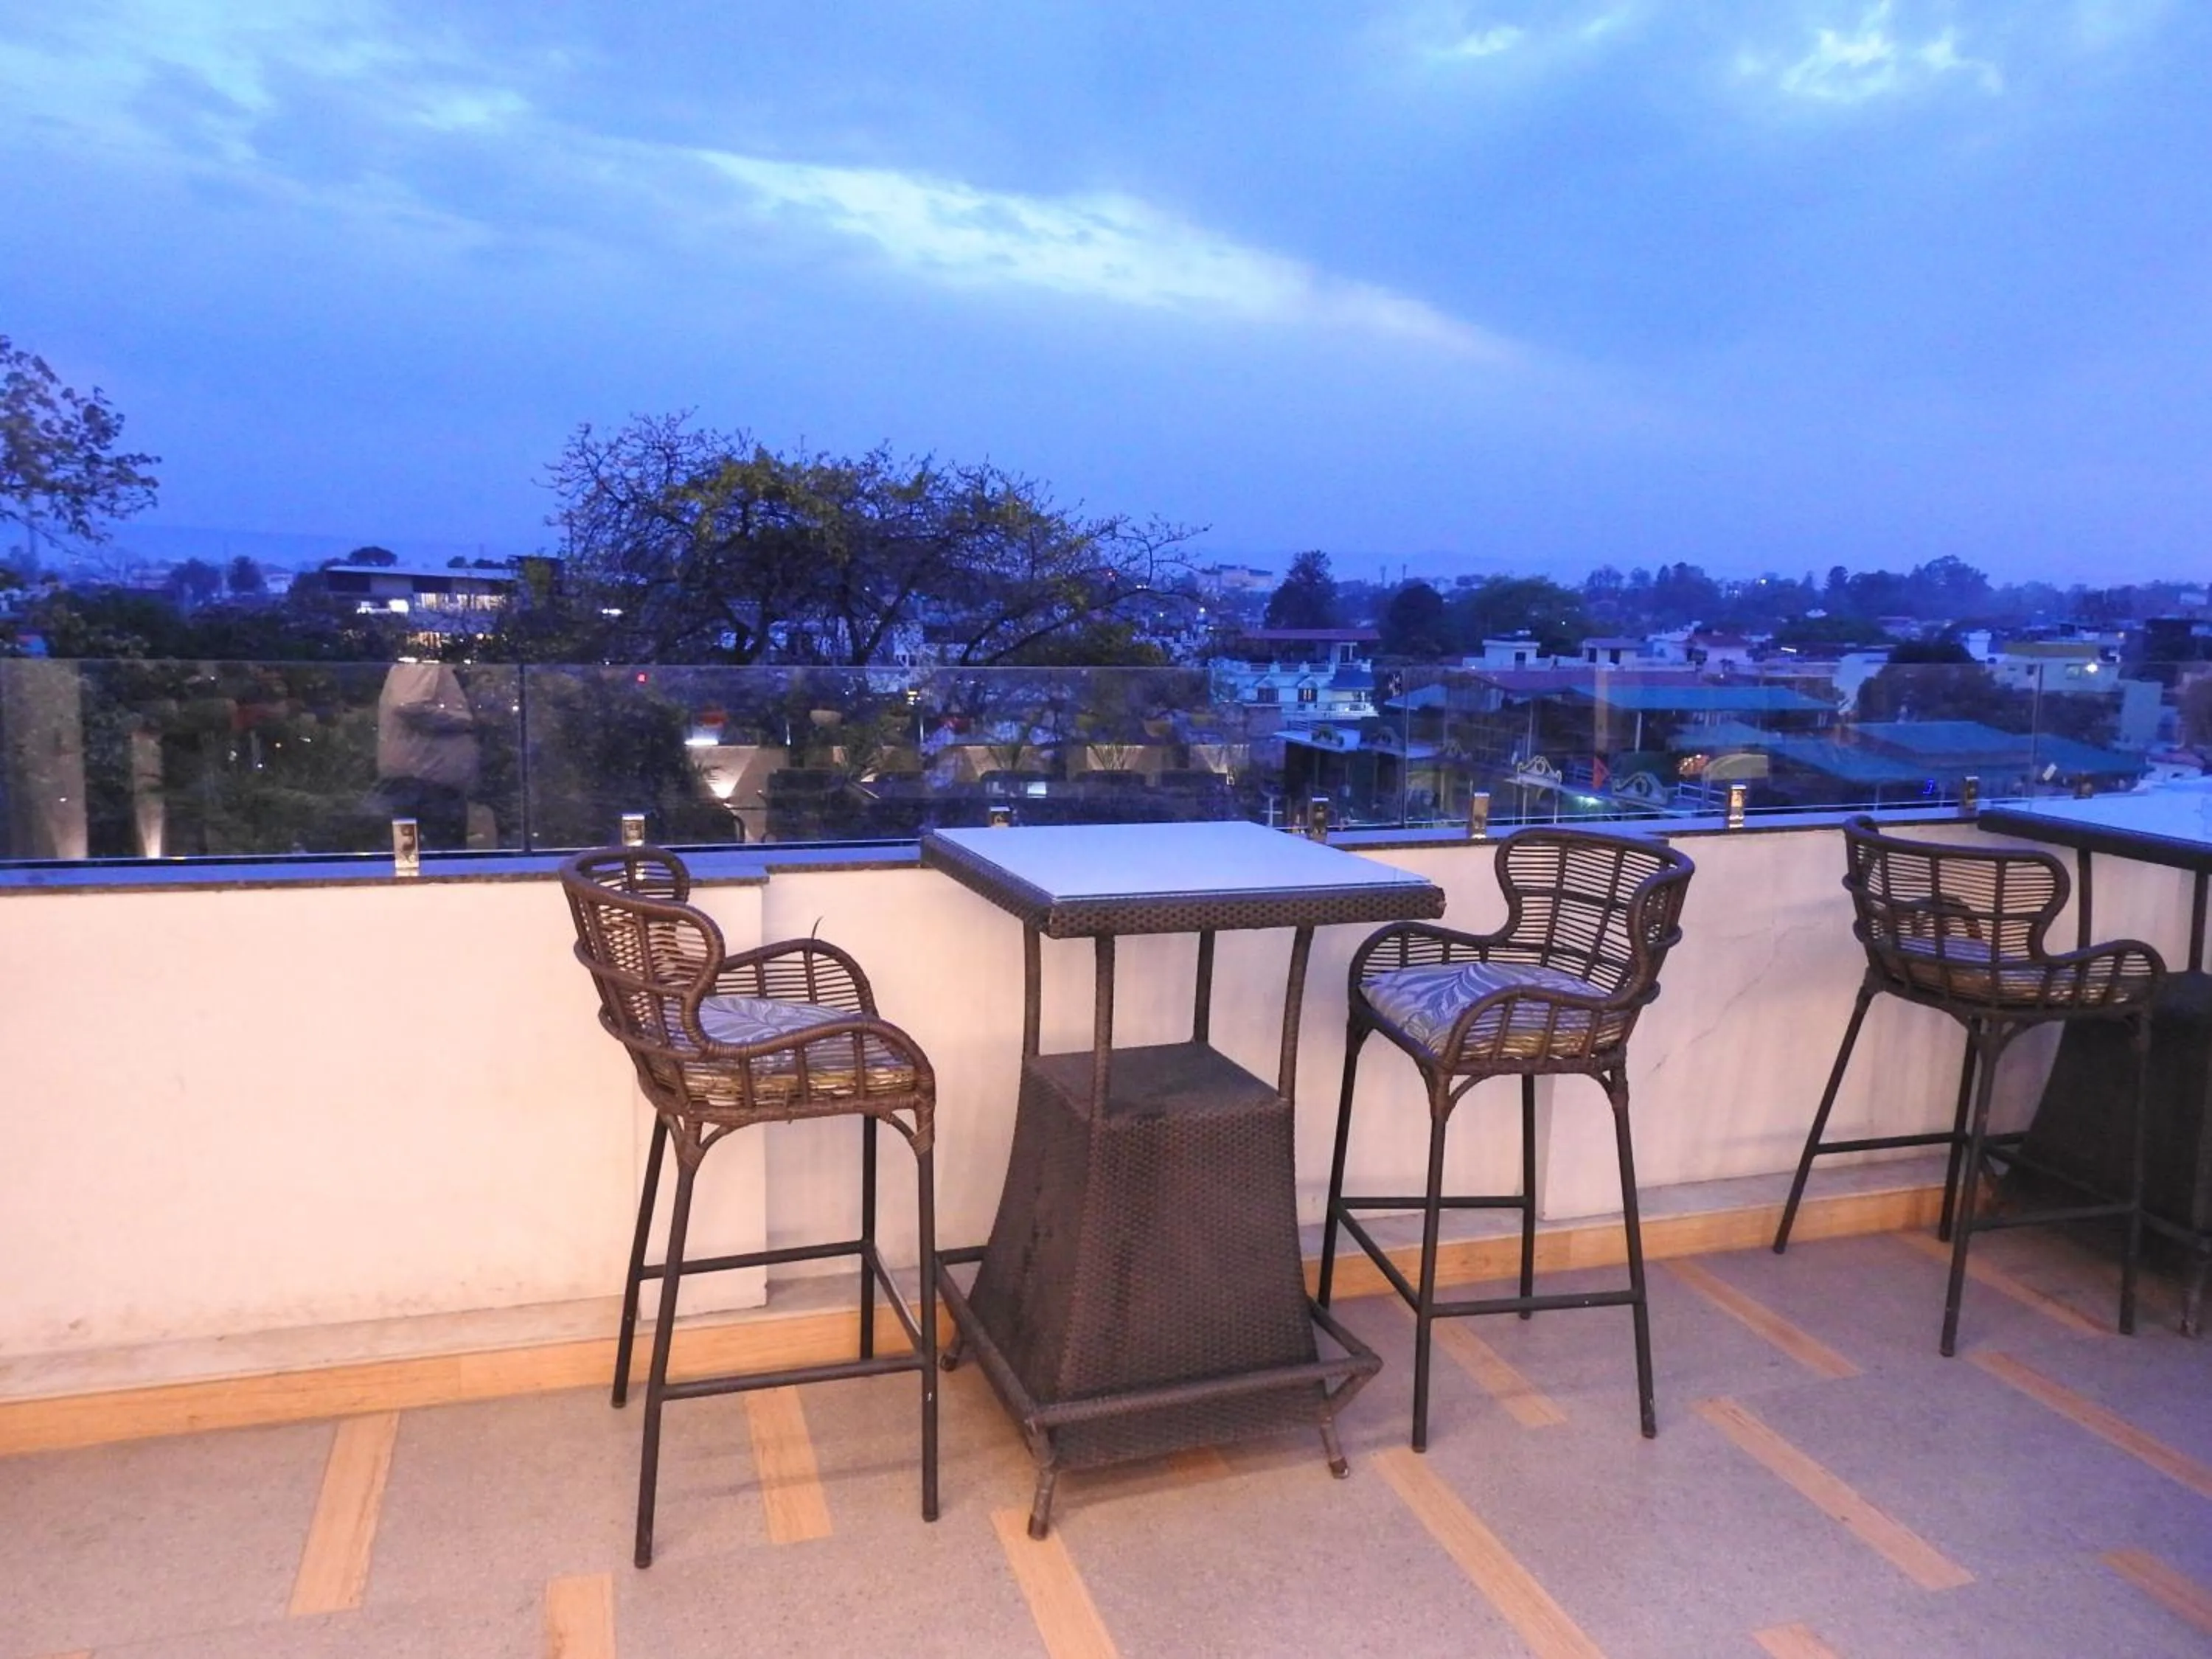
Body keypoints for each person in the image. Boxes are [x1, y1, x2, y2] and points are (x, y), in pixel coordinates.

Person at [372, 661, 478, 849]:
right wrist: (462, 721)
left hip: (429, 786)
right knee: (432, 864)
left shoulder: (432, 668)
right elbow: (408, 705)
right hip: (422, 786)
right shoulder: (423, 663)